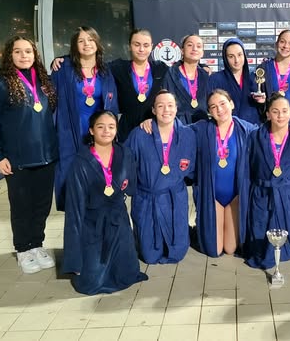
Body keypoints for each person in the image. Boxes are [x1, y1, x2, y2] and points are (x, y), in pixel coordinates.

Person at [0, 35, 58, 274]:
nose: (24, 56)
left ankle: (37, 245)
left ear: (35, 55)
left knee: (42, 206)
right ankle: (23, 249)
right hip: (17, 160)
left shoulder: (44, 82)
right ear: (9, 55)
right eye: (18, 51)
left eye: (28, 51)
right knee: (22, 207)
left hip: (46, 157)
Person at [62, 111, 148, 294]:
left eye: (111, 126)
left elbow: (131, 187)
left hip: (118, 220)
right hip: (92, 223)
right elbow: (74, 212)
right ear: (91, 131)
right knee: (90, 284)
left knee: (126, 275)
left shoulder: (125, 153)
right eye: (100, 127)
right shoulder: (81, 162)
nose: (106, 131)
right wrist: (73, 260)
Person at [51, 28, 168, 142]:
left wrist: (155, 119)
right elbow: (87, 58)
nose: (141, 49)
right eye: (136, 44)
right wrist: (62, 59)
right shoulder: (117, 68)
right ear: (129, 46)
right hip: (125, 133)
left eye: (146, 45)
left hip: (152, 129)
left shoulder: (161, 69)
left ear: (152, 46)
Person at [51, 26, 118, 211]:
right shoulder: (63, 68)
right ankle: (73, 212)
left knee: (97, 174)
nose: (86, 44)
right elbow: (50, 99)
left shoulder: (105, 71)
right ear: (75, 46)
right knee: (70, 174)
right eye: (81, 41)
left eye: (90, 39)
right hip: (69, 130)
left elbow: (111, 105)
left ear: (97, 43)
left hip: (97, 132)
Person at [126, 90, 196, 264]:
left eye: (170, 105)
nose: (166, 110)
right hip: (147, 197)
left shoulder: (188, 135)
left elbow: (192, 167)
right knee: (149, 256)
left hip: (174, 198)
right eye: (160, 106)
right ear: (153, 110)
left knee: (177, 253)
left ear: (176, 108)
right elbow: (126, 164)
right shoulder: (139, 134)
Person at [245, 93, 290, 269]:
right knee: (261, 230)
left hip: (288, 193)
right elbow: (249, 166)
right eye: (275, 111)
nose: (280, 115)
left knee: (287, 232)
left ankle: (287, 249)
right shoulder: (255, 136)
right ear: (268, 114)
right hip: (263, 192)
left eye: (284, 111)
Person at [191, 90, 256, 257]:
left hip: (235, 197)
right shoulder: (202, 129)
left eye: (222, 104)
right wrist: (150, 122)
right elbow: (176, 130)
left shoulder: (246, 129)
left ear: (231, 104)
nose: (219, 109)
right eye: (213, 107)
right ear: (209, 111)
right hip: (212, 196)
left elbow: (269, 131)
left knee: (230, 248)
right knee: (215, 250)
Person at [256, 29, 290, 125]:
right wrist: (261, 102)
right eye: (282, 42)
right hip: (272, 123)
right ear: (276, 44)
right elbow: (259, 100)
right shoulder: (264, 68)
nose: (286, 46)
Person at [208, 38, 261, 124]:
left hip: (253, 129)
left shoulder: (255, 78)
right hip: (227, 128)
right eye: (231, 56)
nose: (236, 60)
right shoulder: (215, 79)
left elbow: (263, 110)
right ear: (225, 58)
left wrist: (262, 103)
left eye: (239, 55)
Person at [161, 34, 210, 124]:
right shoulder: (169, 74)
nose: (194, 49)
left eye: (199, 46)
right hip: (177, 126)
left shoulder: (205, 76)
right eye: (190, 45)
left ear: (202, 53)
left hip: (202, 126)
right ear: (182, 50)